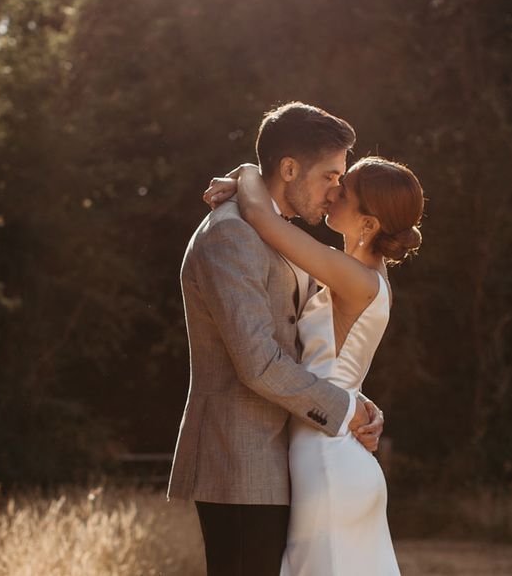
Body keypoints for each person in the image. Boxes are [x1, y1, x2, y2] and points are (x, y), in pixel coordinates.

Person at [167, 102, 385, 576]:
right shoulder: (231, 235)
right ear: (289, 168)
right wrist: (343, 410)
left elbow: (299, 347)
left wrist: (356, 400)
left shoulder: (267, 232)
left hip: (278, 461)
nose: (336, 190)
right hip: (238, 462)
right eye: (329, 176)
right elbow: (259, 363)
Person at [205, 154, 424, 575]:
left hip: (328, 462)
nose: (333, 193)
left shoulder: (354, 278)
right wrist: (360, 403)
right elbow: (337, 367)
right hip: (332, 452)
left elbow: (259, 216)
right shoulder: (360, 276)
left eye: (346, 193)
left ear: (368, 224)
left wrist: (249, 172)